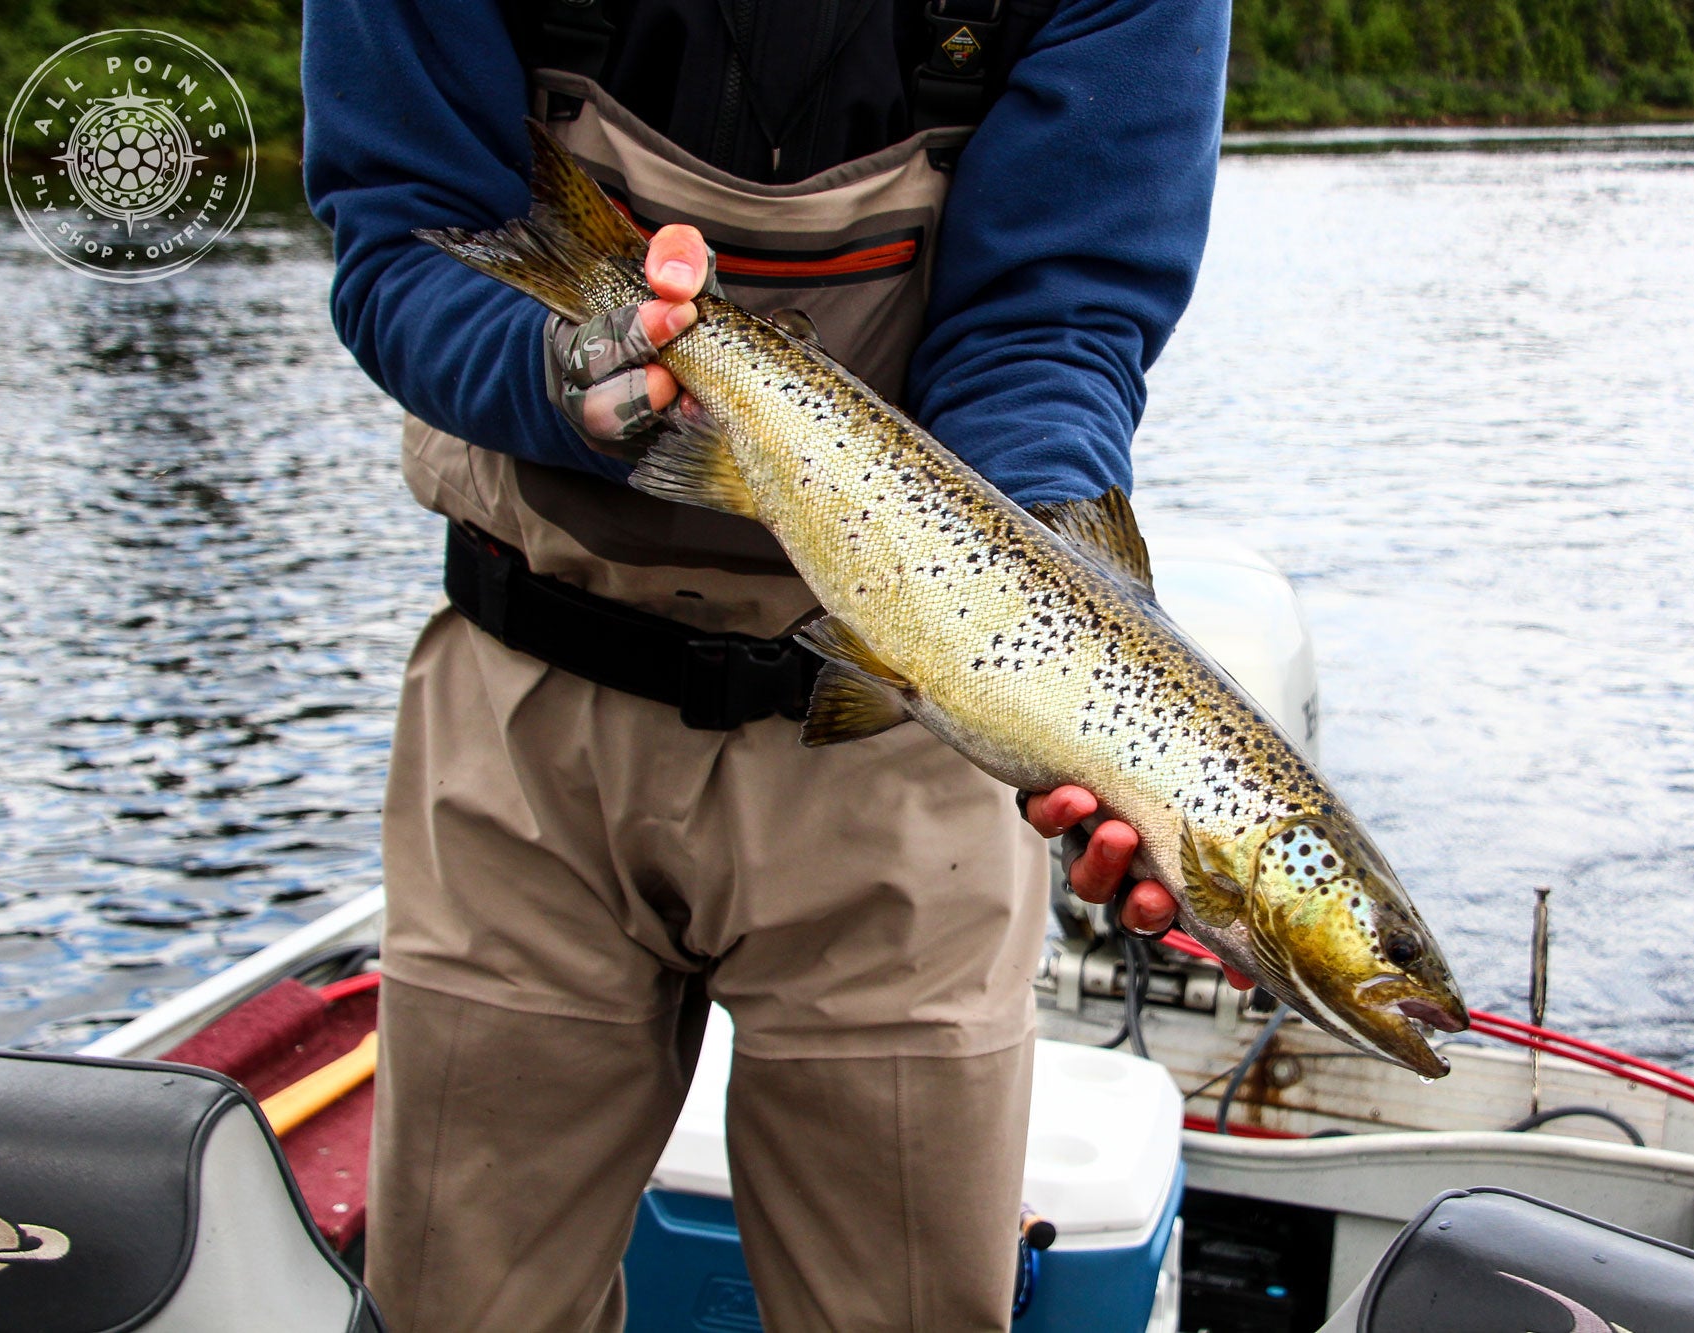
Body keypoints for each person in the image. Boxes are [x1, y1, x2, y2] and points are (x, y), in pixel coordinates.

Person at [302, 0, 1229, 1327]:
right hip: (524, 715)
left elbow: (1047, 329)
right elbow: (405, 233)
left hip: (902, 738)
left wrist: (1054, 650)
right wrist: (560, 369)